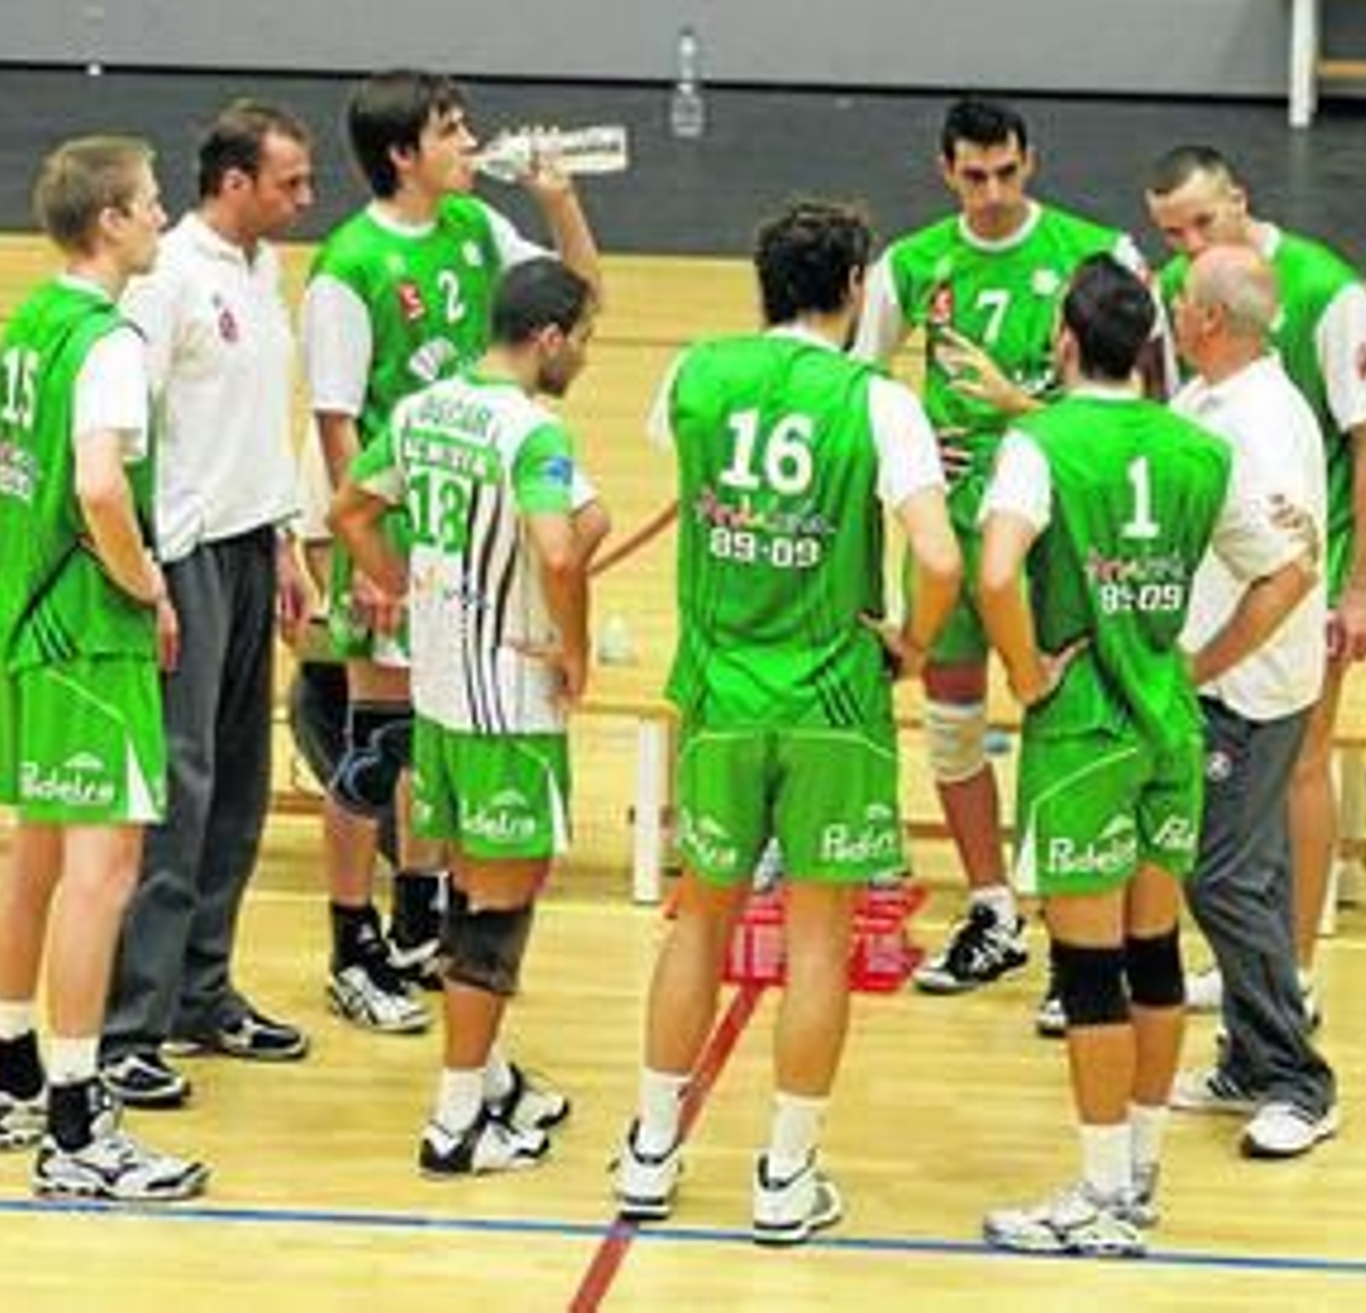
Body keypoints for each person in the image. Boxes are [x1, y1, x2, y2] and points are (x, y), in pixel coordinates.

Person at [612, 200, 959, 1245]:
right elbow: (939, 557)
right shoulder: (879, 403)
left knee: (699, 920)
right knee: (817, 939)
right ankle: (785, 1173)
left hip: (720, 692)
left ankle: (650, 1150)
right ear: (854, 286)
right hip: (832, 702)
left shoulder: (694, 374)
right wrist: (910, 643)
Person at [976, 255, 1316, 1257]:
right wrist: (1194, 663)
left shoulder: (1040, 442)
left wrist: (1026, 672)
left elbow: (995, 571)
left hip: (1083, 732)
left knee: (1088, 971)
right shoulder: (1196, 446)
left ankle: (1095, 1195)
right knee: (1155, 952)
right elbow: (1290, 574)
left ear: (1064, 341)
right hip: (1169, 725)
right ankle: (1138, 1175)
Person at [303, 69, 602, 1033]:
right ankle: (351, 947)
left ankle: (419, 923)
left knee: (434, 747)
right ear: (403, 154)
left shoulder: (475, 227)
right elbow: (337, 422)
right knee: (379, 745)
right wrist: (373, 566)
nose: (471, 143)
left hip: (469, 538)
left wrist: (560, 201)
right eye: (451, 130)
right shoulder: (350, 266)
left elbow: (577, 302)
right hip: (392, 532)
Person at [853, 97, 1153, 1011]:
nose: (991, 192)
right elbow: (855, 386)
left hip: (1051, 530)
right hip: (949, 531)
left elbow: (1139, 403)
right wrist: (908, 441)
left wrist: (1026, 412)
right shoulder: (912, 263)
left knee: (1061, 721)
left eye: (1007, 173)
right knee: (951, 721)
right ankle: (993, 909)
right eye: (974, 176)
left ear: (1031, 162)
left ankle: (1079, 936)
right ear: (946, 171)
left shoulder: (1095, 253)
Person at [0, 135, 207, 1199]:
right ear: (109, 220)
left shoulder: (31, 320)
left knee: (33, 855)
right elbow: (102, 487)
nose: (161, 218)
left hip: (20, 625)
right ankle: (74, 1124)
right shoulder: (107, 344)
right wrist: (146, 585)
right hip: (89, 636)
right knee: (100, 875)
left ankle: (12, 1074)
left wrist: (30, 530)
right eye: (150, 202)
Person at [331, 257, 603, 1175]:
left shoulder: (422, 409)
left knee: (467, 891)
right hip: (508, 704)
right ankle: (455, 1125)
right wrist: (574, 645)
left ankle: (489, 1079)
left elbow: (350, 510)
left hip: (439, 695)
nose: (584, 358)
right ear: (550, 336)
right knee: (499, 910)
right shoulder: (533, 432)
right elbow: (559, 551)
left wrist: (404, 588)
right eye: (583, 341)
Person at [1145, 146, 1366, 1021]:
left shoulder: (1326, 290)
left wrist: (1363, 584)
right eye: (1171, 232)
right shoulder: (1184, 293)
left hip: (1298, 574)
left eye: (1201, 222)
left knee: (1300, 767)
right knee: (1242, 800)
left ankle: (1293, 969)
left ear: (1240, 200)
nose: (1187, 244)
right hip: (1224, 576)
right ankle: (1253, 968)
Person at [99, 100, 316, 1108]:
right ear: (234, 183)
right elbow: (126, 435)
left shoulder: (264, 270)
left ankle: (200, 989)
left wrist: (286, 540)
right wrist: (147, 574)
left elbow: (255, 423)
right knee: (179, 790)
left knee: (237, 784)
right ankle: (126, 1025)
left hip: (249, 544)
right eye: (288, 182)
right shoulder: (169, 279)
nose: (304, 198)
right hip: (184, 555)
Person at [1168, 246, 1338, 1158]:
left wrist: (1201, 666)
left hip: (1248, 686)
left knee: (1222, 877)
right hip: (1243, 677)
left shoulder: (1260, 423)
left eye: (1182, 298)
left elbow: (1288, 571)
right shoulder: (1211, 398)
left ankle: (1298, 1080)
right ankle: (1245, 1059)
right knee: (1256, 874)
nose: (1171, 307)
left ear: (1208, 319)